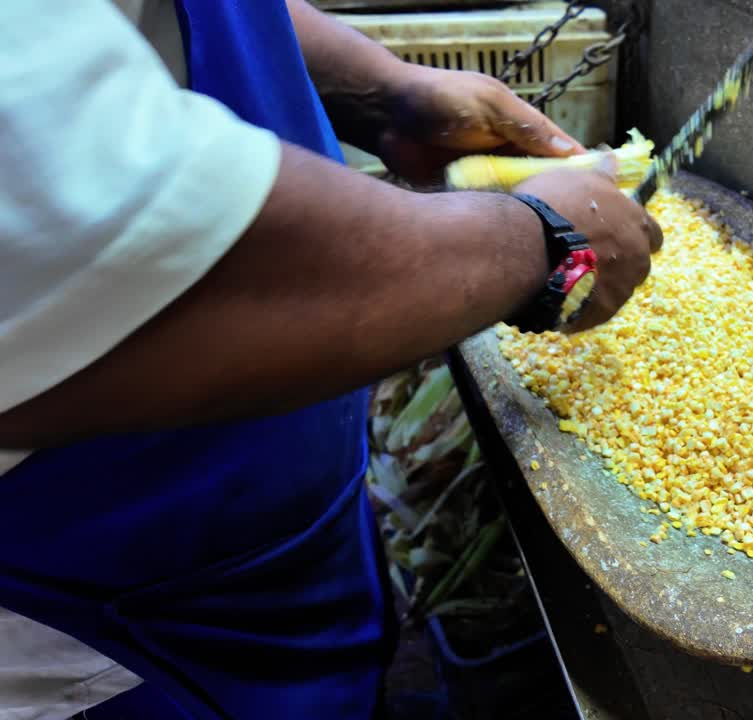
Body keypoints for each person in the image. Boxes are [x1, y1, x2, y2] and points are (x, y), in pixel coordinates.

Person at [0, 1, 662, 718]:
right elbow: (116, 263)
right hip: (106, 636)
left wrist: (377, 88)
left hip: (271, 543)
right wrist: (541, 242)